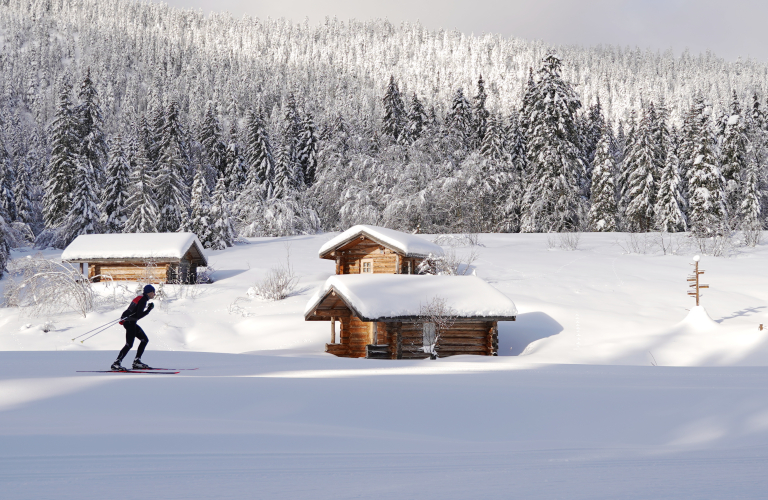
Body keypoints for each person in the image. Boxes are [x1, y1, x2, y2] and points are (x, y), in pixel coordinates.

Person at [111, 284, 156, 371]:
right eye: (153, 293)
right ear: (150, 292)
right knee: (129, 344)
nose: (154, 294)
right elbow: (138, 315)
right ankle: (116, 363)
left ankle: (137, 361)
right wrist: (149, 309)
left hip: (130, 322)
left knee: (144, 340)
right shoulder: (143, 300)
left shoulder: (141, 297)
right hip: (130, 322)